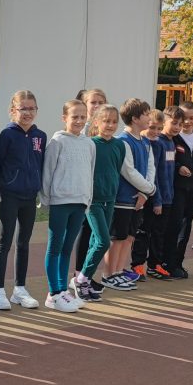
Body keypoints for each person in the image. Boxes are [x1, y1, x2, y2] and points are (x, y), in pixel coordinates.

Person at [0, 91, 45, 310]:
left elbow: (40, 164)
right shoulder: (7, 135)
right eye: (23, 109)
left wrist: (36, 187)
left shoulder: (40, 136)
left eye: (32, 108)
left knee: (23, 243)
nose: (28, 113)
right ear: (13, 111)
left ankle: (19, 289)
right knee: (5, 242)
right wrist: (0, 191)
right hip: (9, 196)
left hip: (29, 197)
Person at [40, 100, 94, 312]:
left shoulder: (89, 144)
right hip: (60, 202)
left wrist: (87, 200)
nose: (79, 121)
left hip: (80, 203)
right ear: (65, 118)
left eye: (83, 117)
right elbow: (47, 173)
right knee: (55, 248)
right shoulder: (57, 142)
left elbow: (90, 173)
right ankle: (53, 293)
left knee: (67, 248)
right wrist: (46, 199)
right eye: (74, 117)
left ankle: (63, 290)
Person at [99, 98, 155, 291]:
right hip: (123, 199)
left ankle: (119, 270)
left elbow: (150, 167)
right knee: (117, 238)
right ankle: (108, 274)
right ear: (135, 118)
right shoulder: (123, 141)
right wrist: (148, 189)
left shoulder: (145, 141)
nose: (149, 118)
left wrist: (146, 193)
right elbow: (128, 171)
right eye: (146, 114)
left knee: (130, 237)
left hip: (139, 198)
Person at [75, 104, 123, 302]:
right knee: (103, 241)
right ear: (96, 122)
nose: (110, 125)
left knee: (96, 241)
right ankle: (81, 279)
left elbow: (116, 169)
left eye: (114, 122)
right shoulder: (90, 144)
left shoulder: (119, 145)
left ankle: (86, 280)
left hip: (109, 199)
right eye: (106, 121)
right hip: (93, 200)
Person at [130, 107, 180, 280]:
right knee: (143, 232)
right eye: (152, 127)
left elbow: (167, 173)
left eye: (159, 128)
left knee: (159, 233)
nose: (155, 132)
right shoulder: (146, 145)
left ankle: (155, 264)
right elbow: (154, 175)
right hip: (150, 197)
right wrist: (157, 200)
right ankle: (137, 264)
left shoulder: (165, 143)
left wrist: (167, 197)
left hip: (166, 197)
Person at [164, 101, 193, 279]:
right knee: (174, 225)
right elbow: (166, 161)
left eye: (191, 118)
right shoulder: (173, 138)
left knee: (186, 227)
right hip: (176, 189)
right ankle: (168, 262)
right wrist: (178, 167)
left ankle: (177, 263)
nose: (187, 122)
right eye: (183, 118)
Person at [74, 89, 108, 276]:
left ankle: (87, 275)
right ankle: (79, 273)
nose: (97, 106)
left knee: (96, 234)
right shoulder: (81, 130)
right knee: (85, 230)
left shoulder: (105, 129)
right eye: (93, 102)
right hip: (83, 188)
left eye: (101, 102)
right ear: (84, 105)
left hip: (100, 188)